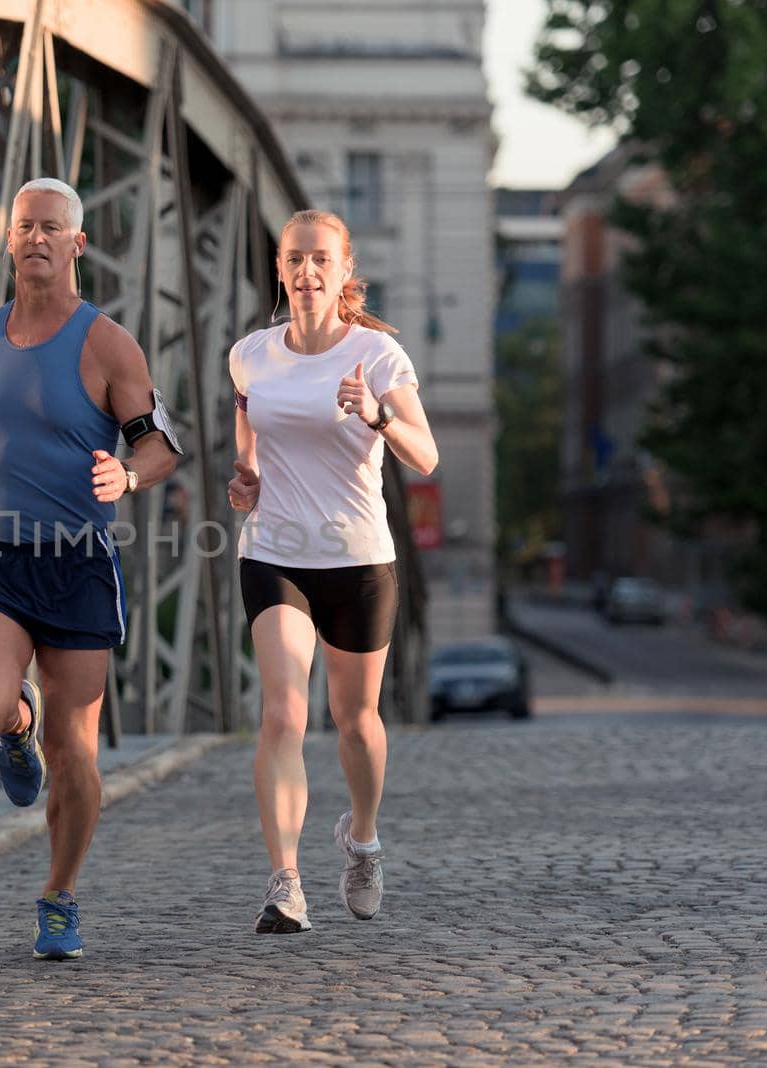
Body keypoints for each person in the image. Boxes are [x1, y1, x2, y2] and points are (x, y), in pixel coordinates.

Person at [0, 178, 181, 960]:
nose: (36, 238)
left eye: (51, 228)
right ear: (9, 240)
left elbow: (161, 444)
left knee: (76, 752)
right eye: (24, 226)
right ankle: (14, 721)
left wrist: (129, 477)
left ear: (78, 244)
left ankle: (60, 894)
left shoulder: (108, 344)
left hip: (76, 565)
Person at [226, 209, 439, 933]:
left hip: (357, 559)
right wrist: (244, 482)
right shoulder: (250, 355)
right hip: (275, 553)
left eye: (321, 260)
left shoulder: (377, 357)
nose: (307, 273)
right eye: (294, 259)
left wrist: (377, 415)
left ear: (345, 271)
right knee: (285, 710)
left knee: (356, 724)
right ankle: (284, 882)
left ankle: (363, 839)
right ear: (280, 270)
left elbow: (426, 454)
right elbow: (247, 443)